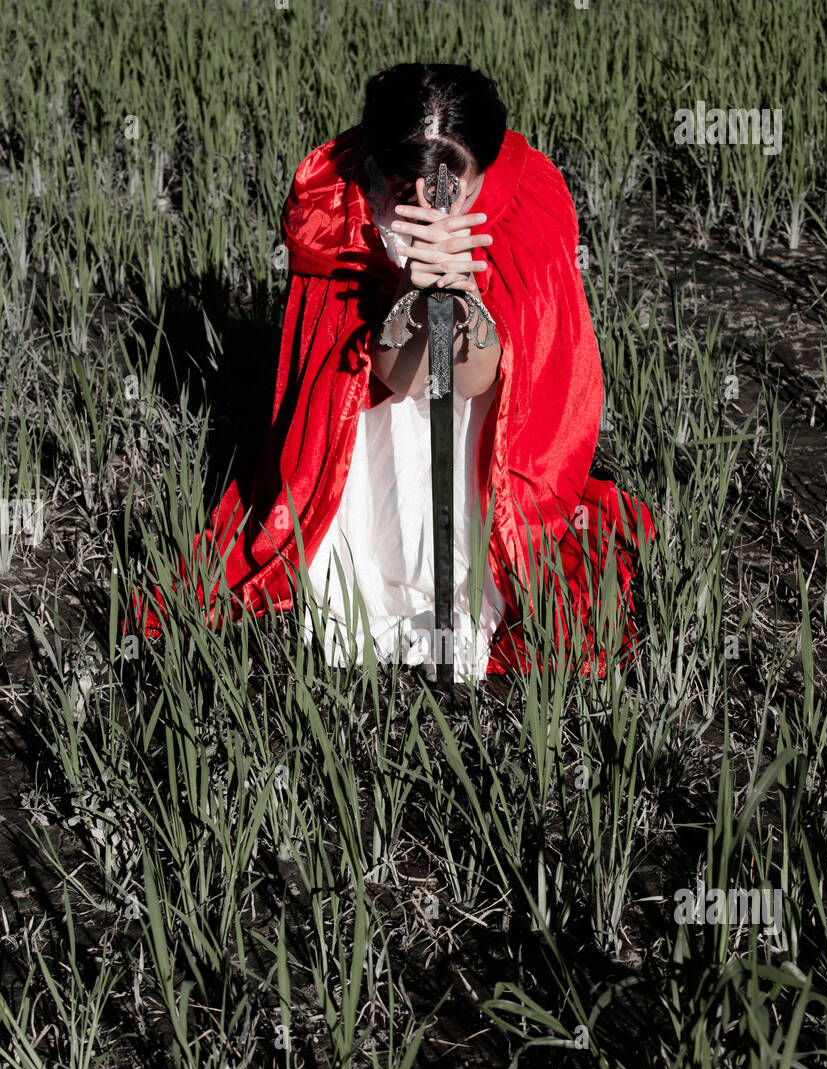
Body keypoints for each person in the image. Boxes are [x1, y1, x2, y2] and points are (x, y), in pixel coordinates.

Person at [134, 63, 654, 681]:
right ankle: (379, 566)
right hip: (369, 420)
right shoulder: (340, 203)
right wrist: (410, 292)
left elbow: (479, 380)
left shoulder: (523, 210)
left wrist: (462, 302)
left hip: (482, 426)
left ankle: (466, 572)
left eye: (450, 186)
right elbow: (384, 378)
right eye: (403, 185)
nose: (425, 202)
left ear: (482, 172)